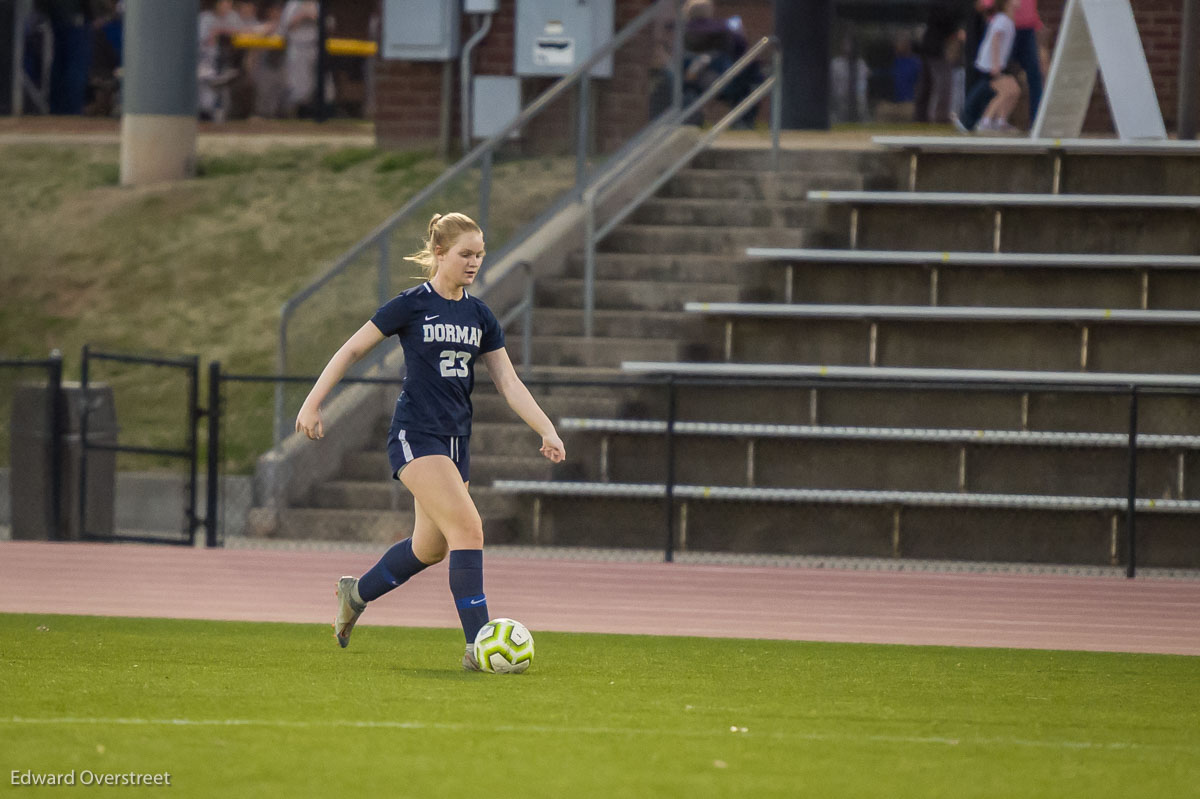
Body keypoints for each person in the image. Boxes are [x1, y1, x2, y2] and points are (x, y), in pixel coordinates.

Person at [295, 212, 567, 671]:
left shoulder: (480, 315)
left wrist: (546, 427)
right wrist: (312, 403)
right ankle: (477, 648)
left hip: (456, 443)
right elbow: (352, 349)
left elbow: (508, 381)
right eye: (465, 254)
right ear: (439, 253)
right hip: (415, 435)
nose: (474, 262)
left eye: (479, 254)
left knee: (430, 548)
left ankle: (354, 595)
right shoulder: (411, 305)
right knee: (469, 529)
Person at [953, 0, 1020, 133]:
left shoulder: (1007, 20)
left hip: (996, 64)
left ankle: (1000, 121)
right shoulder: (1002, 20)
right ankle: (986, 121)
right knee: (1006, 91)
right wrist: (995, 65)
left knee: (1014, 90)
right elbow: (995, 40)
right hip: (990, 64)